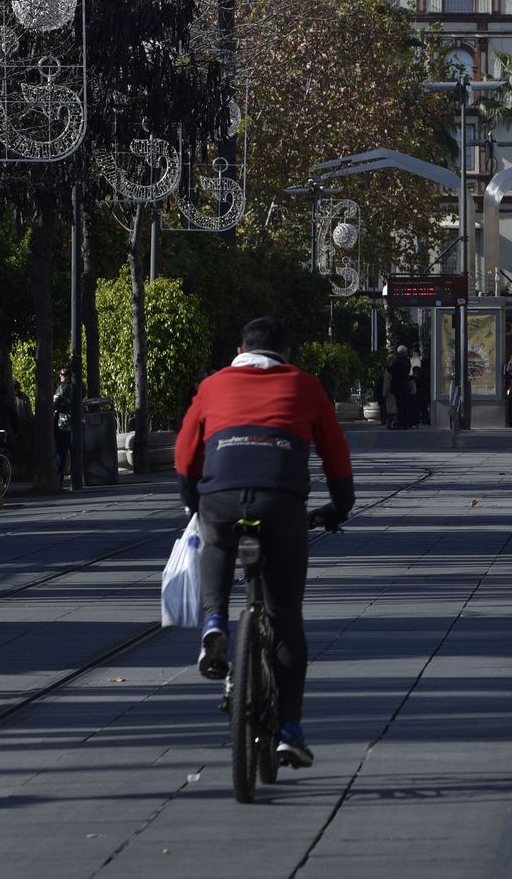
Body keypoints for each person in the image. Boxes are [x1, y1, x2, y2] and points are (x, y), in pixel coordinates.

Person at [174, 316, 354, 771]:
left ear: (239, 349)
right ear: (286, 354)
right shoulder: (307, 385)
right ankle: (290, 731)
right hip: (281, 500)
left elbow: (185, 452)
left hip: (222, 495)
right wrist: (340, 507)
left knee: (214, 539)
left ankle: (215, 619)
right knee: (285, 616)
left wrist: (193, 502)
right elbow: (336, 454)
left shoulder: (213, 385)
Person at [52, 368, 75, 478]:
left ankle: (59, 478)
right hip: (74, 424)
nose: (60, 376)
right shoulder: (75, 388)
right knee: (74, 452)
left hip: (63, 424)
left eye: (62, 374)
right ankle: (76, 478)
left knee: (61, 453)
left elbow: (54, 403)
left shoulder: (61, 389)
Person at [390, 345, 413, 429]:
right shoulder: (407, 361)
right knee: (405, 405)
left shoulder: (398, 362)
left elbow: (391, 370)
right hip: (405, 386)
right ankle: (406, 423)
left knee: (400, 406)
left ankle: (401, 423)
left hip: (398, 387)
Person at [379, 351, 398, 429]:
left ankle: (390, 423)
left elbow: (386, 382)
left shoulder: (388, 370)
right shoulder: (397, 369)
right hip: (397, 391)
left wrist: (384, 393)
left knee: (390, 409)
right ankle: (395, 422)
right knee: (395, 408)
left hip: (390, 392)